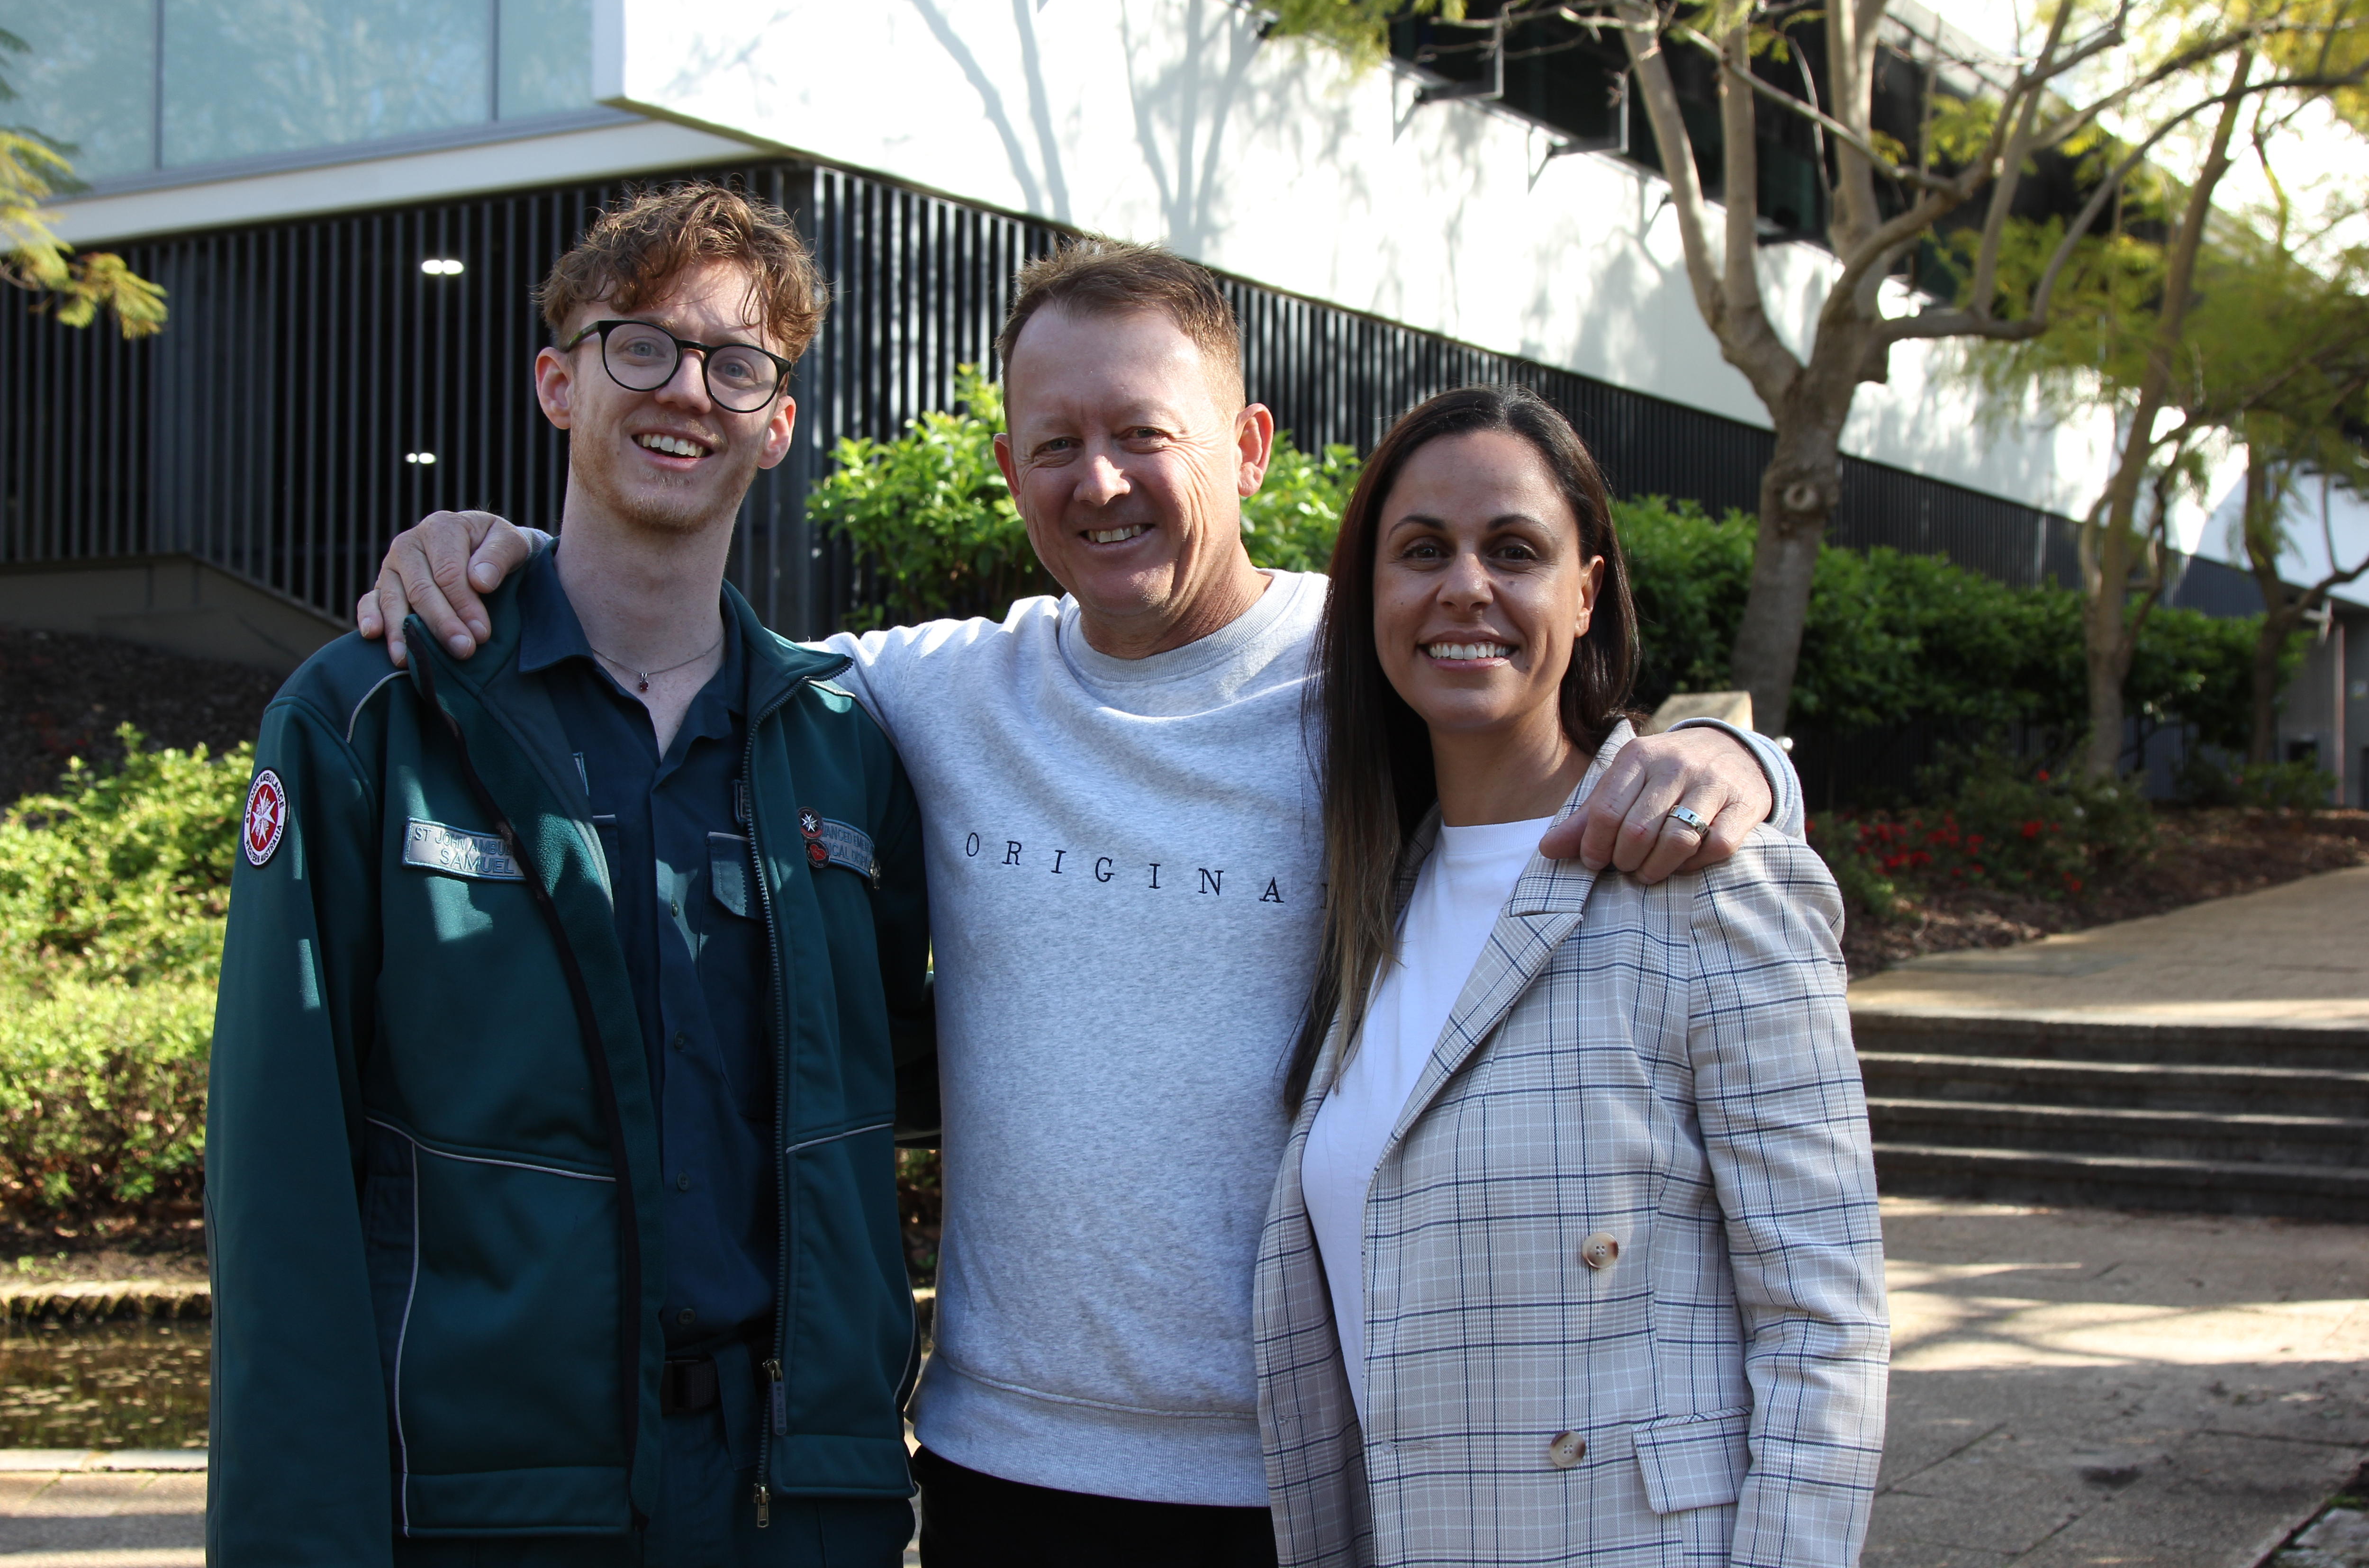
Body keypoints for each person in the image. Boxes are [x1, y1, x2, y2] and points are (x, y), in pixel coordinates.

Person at [356, 239, 1799, 1567]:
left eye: (1141, 436)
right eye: (1056, 444)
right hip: (998, 1468)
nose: (1099, 481)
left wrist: (1743, 761)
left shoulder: (1374, 676)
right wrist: (510, 553)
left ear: (1245, 449)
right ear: (1007, 465)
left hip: (1309, 1466)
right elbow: (678, 647)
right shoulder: (934, 689)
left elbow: (1562, 762)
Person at [207, 183, 933, 1566]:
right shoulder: (370, 714)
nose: (687, 391)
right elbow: (280, 1180)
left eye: (738, 363)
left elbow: (887, 1087)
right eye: (638, 345)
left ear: (779, 424)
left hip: (790, 1506)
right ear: (558, 380)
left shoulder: (844, 746)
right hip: (489, 1508)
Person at [1255, 386, 1887, 1568]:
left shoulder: (1706, 883)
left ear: (1585, 591)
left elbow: (1825, 1330)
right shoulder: (1368, 894)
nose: (1465, 588)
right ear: (1371, 595)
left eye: (1514, 549)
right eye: (1420, 551)